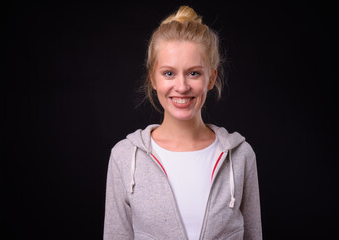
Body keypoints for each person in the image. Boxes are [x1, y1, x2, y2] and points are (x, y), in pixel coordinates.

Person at [104, 6, 262, 240]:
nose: (181, 86)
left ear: (211, 78)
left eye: (194, 73)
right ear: (153, 79)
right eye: (169, 73)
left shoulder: (241, 156)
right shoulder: (125, 157)